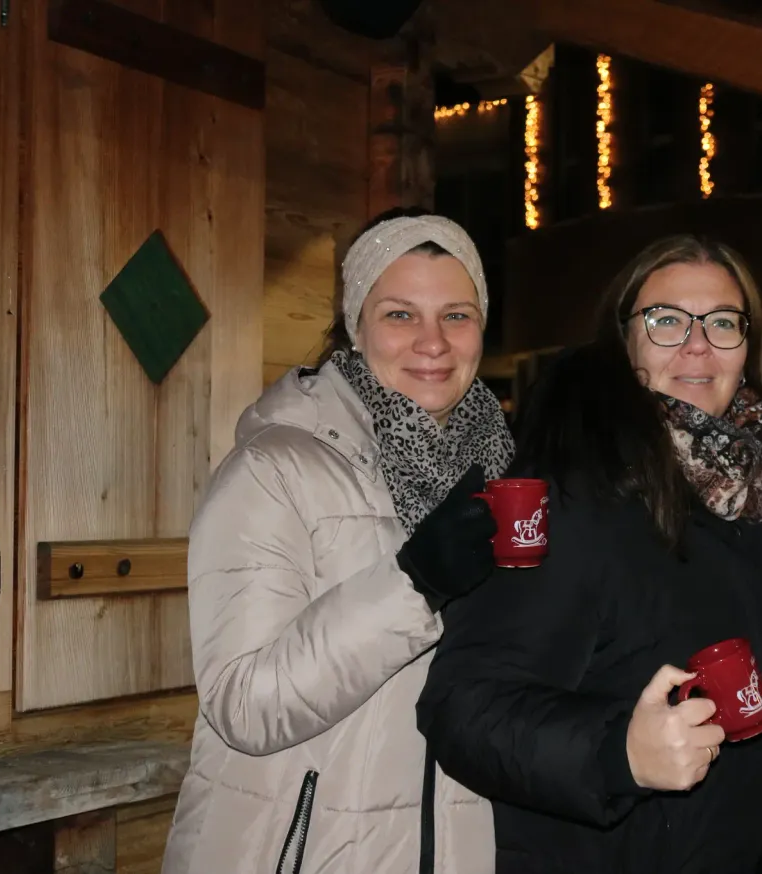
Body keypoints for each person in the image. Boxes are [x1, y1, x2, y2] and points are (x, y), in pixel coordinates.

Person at [417, 235, 762, 873]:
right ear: (624, 342)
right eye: (666, 321)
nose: (697, 344)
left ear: (748, 346)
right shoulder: (577, 493)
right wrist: (618, 754)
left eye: (722, 322)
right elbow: (465, 706)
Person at [162, 210, 512, 874]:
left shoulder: (501, 472)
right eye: (400, 314)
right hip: (301, 852)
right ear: (356, 326)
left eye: (457, 315)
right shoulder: (273, 470)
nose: (432, 342)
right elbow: (245, 703)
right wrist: (414, 587)